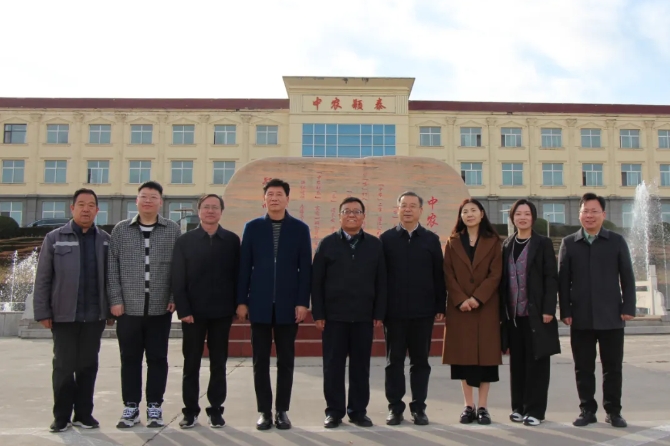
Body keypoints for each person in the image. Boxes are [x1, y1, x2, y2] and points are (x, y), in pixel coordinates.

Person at [236, 178, 312, 430]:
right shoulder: (253, 227)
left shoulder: (300, 229)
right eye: (270, 194)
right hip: (258, 304)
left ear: (288, 199)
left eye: (279, 194)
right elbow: (244, 267)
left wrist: (302, 302)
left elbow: (306, 270)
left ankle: (282, 411)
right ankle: (264, 411)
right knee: (260, 361)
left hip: (288, 306)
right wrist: (242, 301)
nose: (274, 198)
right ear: (264, 199)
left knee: (286, 361)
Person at [33, 188, 111, 432]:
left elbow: (111, 277)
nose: (86, 209)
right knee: (64, 367)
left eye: (91, 205)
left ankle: (83, 414)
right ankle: (62, 416)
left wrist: (110, 310)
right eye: (81, 204)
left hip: (94, 315)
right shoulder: (54, 238)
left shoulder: (105, 240)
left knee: (88, 366)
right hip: (64, 315)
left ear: (97, 210)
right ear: (72, 208)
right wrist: (42, 312)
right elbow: (43, 278)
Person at [108, 181, 181, 428]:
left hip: (160, 309)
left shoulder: (172, 230)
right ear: (136, 201)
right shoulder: (121, 230)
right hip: (128, 309)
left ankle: (154, 406)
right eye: (144, 196)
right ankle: (130, 406)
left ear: (161, 202)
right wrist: (116, 300)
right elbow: (112, 268)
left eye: (153, 197)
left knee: (158, 358)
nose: (148, 201)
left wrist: (173, 298)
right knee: (130, 358)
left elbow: (178, 268)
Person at [558, 192, 636, 428]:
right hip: (580, 316)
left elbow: (627, 276)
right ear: (579, 214)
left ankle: (613, 411)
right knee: (583, 367)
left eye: (594, 211)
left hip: (612, 315)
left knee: (613, 367)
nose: (589, 215)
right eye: (585, 211)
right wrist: (565, 311)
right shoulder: (569, 243)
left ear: (603, 214)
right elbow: (563, 281)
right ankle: (587, 410)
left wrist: (628, 306)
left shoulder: (616, 241)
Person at [312, 197, 387, 429]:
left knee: (360, 367)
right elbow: (316, 282)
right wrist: (319, 314)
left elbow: (382, 281)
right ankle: (334, 412)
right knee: (332, 366)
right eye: (347, 211)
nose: (352, 215)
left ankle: (358, 411)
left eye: (356, 211)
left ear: (364, 216)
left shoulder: (374, 245)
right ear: (339, 216)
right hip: (334, 318)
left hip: (363, 316)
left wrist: (379, 312)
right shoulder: (327, 244)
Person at [171, 194, 240, 429]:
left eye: (215, 207)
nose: (210, 211)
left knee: (219, 363)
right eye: (206, 207)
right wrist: (183, 309)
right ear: (199, 210)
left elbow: (238, 276)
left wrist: (237, 305)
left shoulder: (231, 241)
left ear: (221, 211)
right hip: (193, 314)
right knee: (191, 363)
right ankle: (190, 411)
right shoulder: (185, 241)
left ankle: (216, 409)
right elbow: (177, 277)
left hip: (222, 312)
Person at [380, 191, 445, 426]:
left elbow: (439, 275)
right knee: (394, 362)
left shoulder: (431, 239)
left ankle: (419, 408)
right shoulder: (386, 239)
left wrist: (440, 305)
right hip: (394, 313)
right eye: (403, 205)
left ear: (420, 210)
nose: (407, 209)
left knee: (421, 363)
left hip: (423, 312)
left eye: (412, 206)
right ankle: (395, 408)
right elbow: (380, 277)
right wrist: (380, 309)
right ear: (397, 209)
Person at [442, 198, 502, 425]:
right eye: (465, 211)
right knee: (463, 358)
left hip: (485, 307)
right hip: (460, 309)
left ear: (482, 214)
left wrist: (477, 298)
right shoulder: (452, 242)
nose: (469, 214)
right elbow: (448, 274)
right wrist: (461, 299)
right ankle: (468, 406)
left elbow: (496, 274)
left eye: (473, 210)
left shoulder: (494, 241)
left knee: (486, 359)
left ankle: (483, 407)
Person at [500, 199, 560, 426]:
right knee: (517, 363)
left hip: (537, 314)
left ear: (533, 217)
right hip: (514, 316)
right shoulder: (507, 244)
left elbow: (550, 277)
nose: (522, 218)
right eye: (518, 214)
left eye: (527, 214)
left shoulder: (542, 243)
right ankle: (518, 407)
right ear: (512, 218)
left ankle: (535, 411)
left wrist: (548, 309)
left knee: (538, 363)